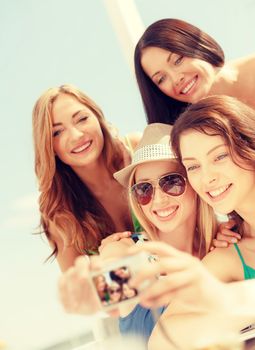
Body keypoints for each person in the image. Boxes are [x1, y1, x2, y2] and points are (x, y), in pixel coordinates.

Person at [59, 123, 218, 341]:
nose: (159, 199)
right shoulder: (126, 250)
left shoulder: (221, 241)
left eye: (171, 182)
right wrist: (94, 289)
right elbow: (112, 281)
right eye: (144, 189)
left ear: (193, 181)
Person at [32, 84, 141, 271]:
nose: (76, 135)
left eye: (82, 119)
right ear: (50, 147)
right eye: (57, 132)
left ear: (98, 118)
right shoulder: (60, 211)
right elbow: (81, 289)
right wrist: (105, 261)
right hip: (136, 293)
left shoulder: (137, 150)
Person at [134, 18, 255, 124]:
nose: (176, 79)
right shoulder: (198, 132)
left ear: (195, 45)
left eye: (177, 60)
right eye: (161, 79)